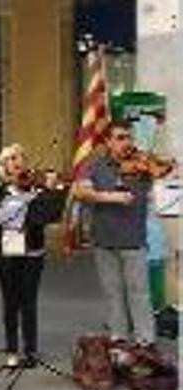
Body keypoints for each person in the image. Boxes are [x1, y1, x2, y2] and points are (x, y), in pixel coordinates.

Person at [72, 120, 160, 345]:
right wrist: (111, 196)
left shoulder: (141, 165)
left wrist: (155, 166)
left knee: (139, 293)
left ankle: (145, 342)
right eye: (120, 138)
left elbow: (164, 171)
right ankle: (119, 339)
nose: (126, 142)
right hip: (104, 240)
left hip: (133, 240)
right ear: (108, 142)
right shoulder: (96, 165)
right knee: (113, 293)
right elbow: (81, 191)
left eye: (128, 137)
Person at [0, 144, 66, 367]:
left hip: (32, 254)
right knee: (10, 301)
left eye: (21, 157)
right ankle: (12, 348)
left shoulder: (35, 191)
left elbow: (49, 215)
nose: (18, 162)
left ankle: (30, 350)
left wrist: (53, 190)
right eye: (11, 158)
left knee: (29, 302)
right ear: (4, 166)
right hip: (7, 255)